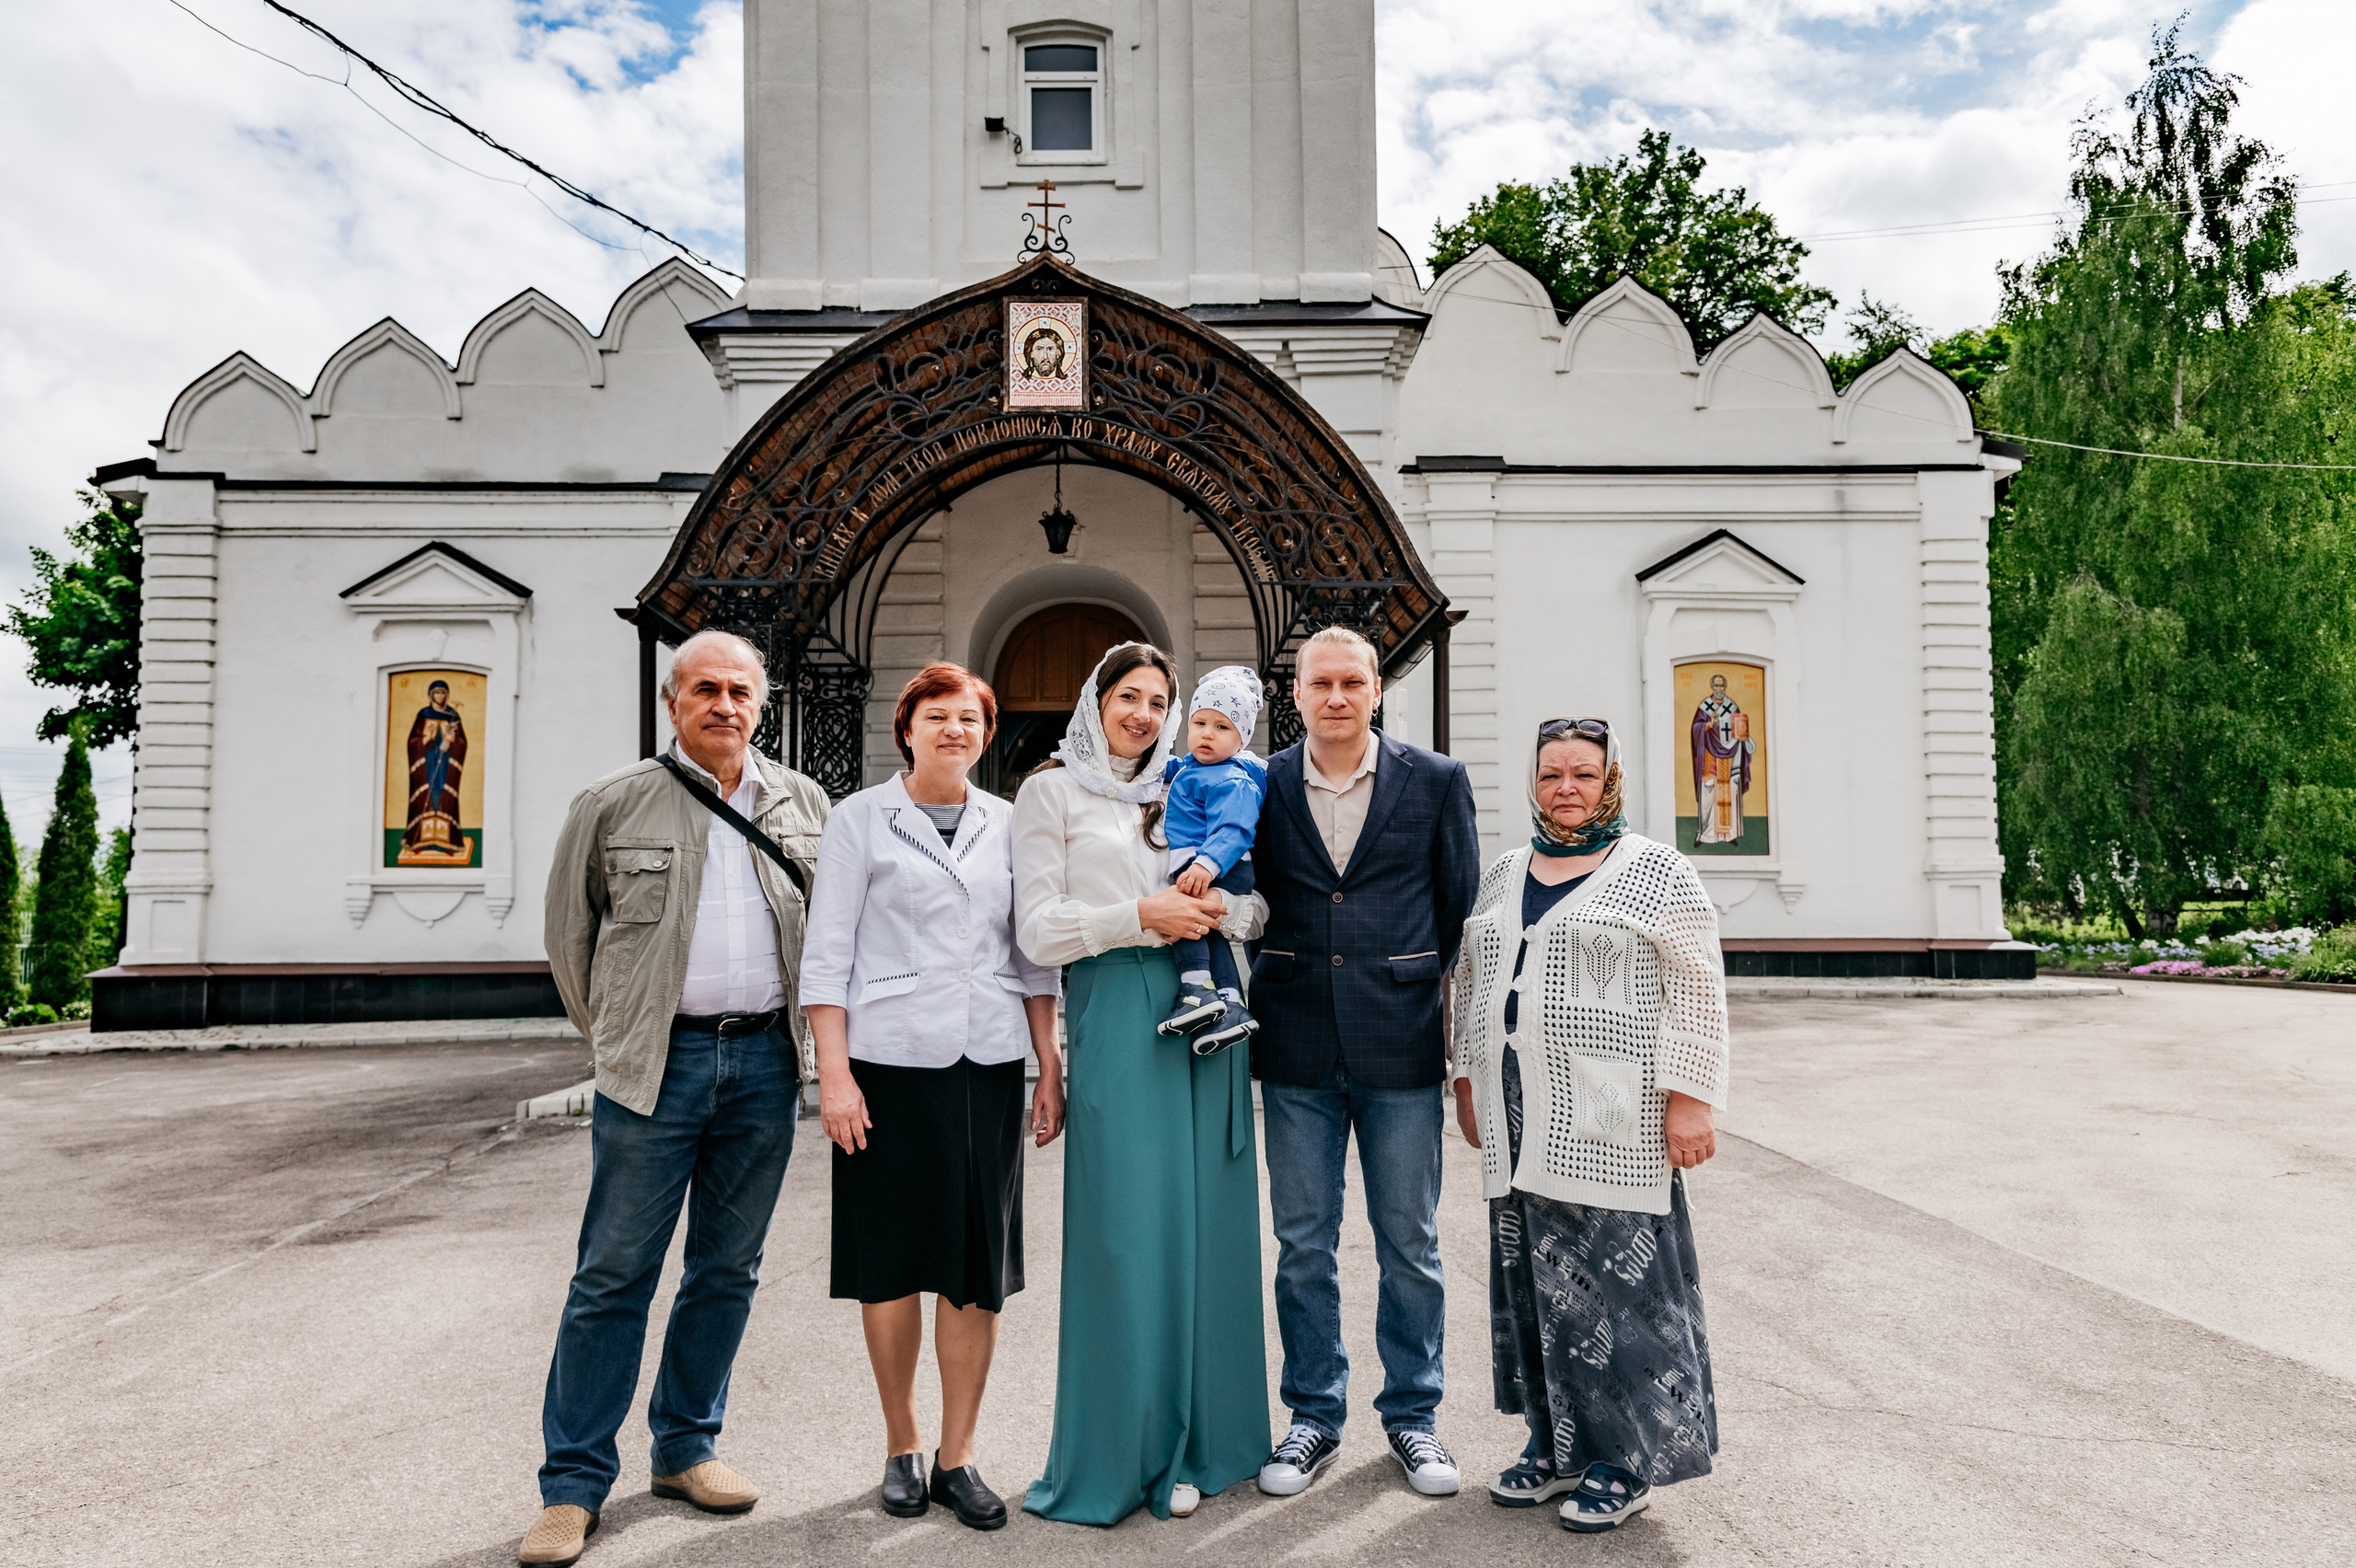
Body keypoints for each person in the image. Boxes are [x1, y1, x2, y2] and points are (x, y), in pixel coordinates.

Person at [525, 629, 831, 1568]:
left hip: (765, 1066)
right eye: (705, 689)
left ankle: (686, 1449)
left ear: (762, 703)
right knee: (613, 1275)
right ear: (673, 701)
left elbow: (832, 931)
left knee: (726, 1269)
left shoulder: (805, 804)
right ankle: (573, 1487)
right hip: (657, 1070)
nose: (723, 705)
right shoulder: (612, 804)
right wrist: (622, 1040)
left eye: (740, 690)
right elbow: (569, 942)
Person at [799, 663, 1066, 1532]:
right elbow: (825, 958)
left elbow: (1032, 956)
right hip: (886, 1067)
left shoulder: (1009, 822)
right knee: (892, 1264)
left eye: (971, 718)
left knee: (973, 1272)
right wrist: (833, 1076)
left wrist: (1047, 1062)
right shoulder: (858, 821)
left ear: (987, 734)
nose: (955, 730)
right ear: (905, 728)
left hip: (984, 1065)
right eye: (938, 716)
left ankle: (958, 1456)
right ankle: (902, 1442)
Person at [1013, 642, 1272, 1525]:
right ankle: (1123, 1451)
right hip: (1120, 1015)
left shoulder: (1188, 782)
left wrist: (1214, 911)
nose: (1144, 713)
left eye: (1159, 699)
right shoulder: (1051, 792)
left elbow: (1256, 906)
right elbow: (1037, 932)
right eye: (1128, 695)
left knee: (1209, 1229)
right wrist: (1141, 916)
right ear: (1095, 699)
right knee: (1126, 1234)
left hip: (1208, 1009)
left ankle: (1209, 1444)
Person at [1449, 717, 1728, 1533]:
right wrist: (1464, 1077)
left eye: (1581, 773)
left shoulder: (1654, 871)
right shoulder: (1504, 873)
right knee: (1534, 1288)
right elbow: (1473, 978)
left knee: (1621, 1289)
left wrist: (1692, 1097)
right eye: (1550, 775)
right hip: (1514, 1111)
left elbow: (1699, 986)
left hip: (1616, 1113)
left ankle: (1625, 1460)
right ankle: (1555, 1444)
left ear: (1609, 781)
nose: (1564, 788)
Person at [1247, 626, 1479, 1499]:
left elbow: (1456, 908)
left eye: (1352, 682)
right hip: (1296, 1040)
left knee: (1409, 1242)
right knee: (1303, 1244)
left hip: (1401, 1040)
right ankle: (1313, 1415)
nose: (1336, 697)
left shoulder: (1436, 781)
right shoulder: (1260, 783)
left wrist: (1450, 1032)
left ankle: (1414, 1420)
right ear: (1296, 694)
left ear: (1377, 691)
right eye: (1320, 684)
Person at [1154, 664, 1266, 1054]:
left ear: (1241, 740)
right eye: (1200, 722)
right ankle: (1232, 1003)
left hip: (1219, 866)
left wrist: (1206, 865)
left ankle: (1197, 988)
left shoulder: (1232, 780)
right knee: (1210, 933)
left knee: (1186, 919)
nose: (1207, 733)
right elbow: (1163, 769)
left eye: (1222, 727)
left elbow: (1235, 830)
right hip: (1206, 864)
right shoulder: (1193, 766)